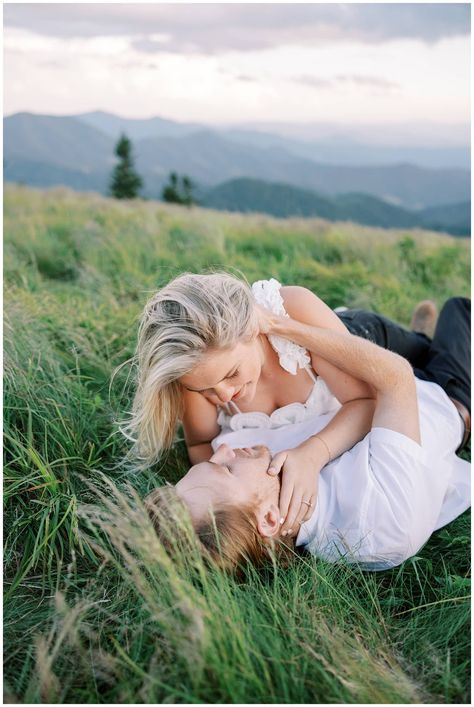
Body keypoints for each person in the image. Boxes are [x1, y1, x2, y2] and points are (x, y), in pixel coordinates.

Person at [145, 298, 470, 572]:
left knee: (378, 336)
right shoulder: (382, 525)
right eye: (225, 468)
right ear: (270, 519)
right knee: (459, 311)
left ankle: (418, 337)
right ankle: (423, 341)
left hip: (362, 383)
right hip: (437, 398)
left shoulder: (262, 485)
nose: (222, 449)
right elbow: (395, 376)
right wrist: (277, 325)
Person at [127, 272, 442, 536]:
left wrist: (314, 453)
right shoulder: (197, 372)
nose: (222, 396)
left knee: (421, 358)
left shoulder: (291, 307)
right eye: (205, 389)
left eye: (232, 374)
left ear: (253, 331)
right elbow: (201, 445)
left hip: (357, 342)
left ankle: (420, 335)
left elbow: (365, 401)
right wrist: (243, 502)